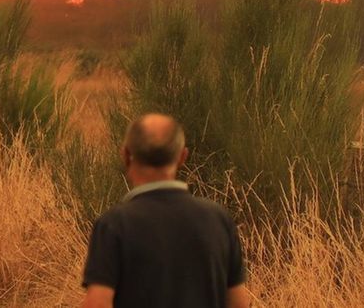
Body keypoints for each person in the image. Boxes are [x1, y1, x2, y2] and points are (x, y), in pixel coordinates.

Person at [81, 114, 249, 308]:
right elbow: (238, 303)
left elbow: (97, 304)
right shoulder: (219, 219)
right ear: (182, 157)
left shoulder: (114, 225)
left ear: (126, 155)